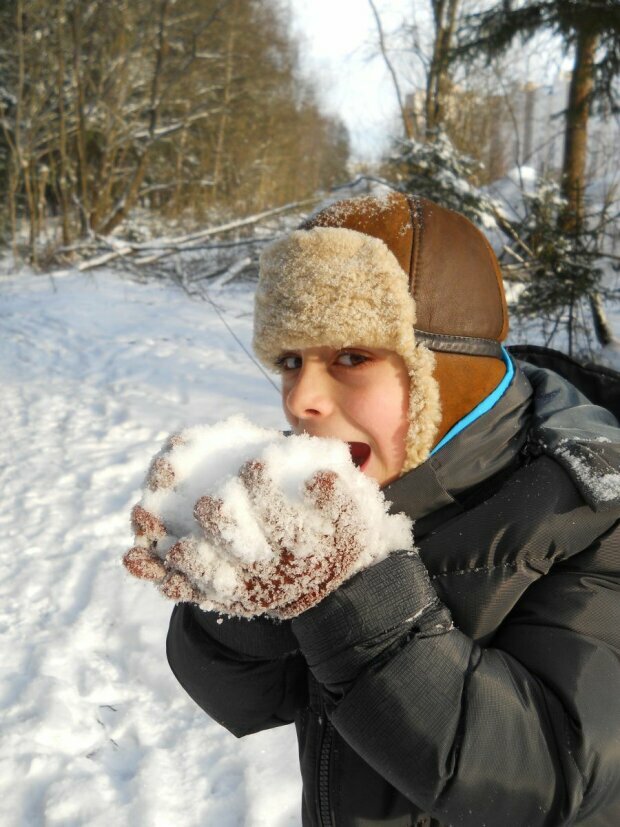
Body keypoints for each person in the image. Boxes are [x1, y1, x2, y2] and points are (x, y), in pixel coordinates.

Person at [141, 193, 620, 825]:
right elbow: (255, 699)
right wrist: (238, 593)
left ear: (444, 373)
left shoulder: (592, 513)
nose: (300, 400)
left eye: (351, 356)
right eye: (290, 361)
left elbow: (555, 781)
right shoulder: (338, 483)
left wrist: (349, 585)